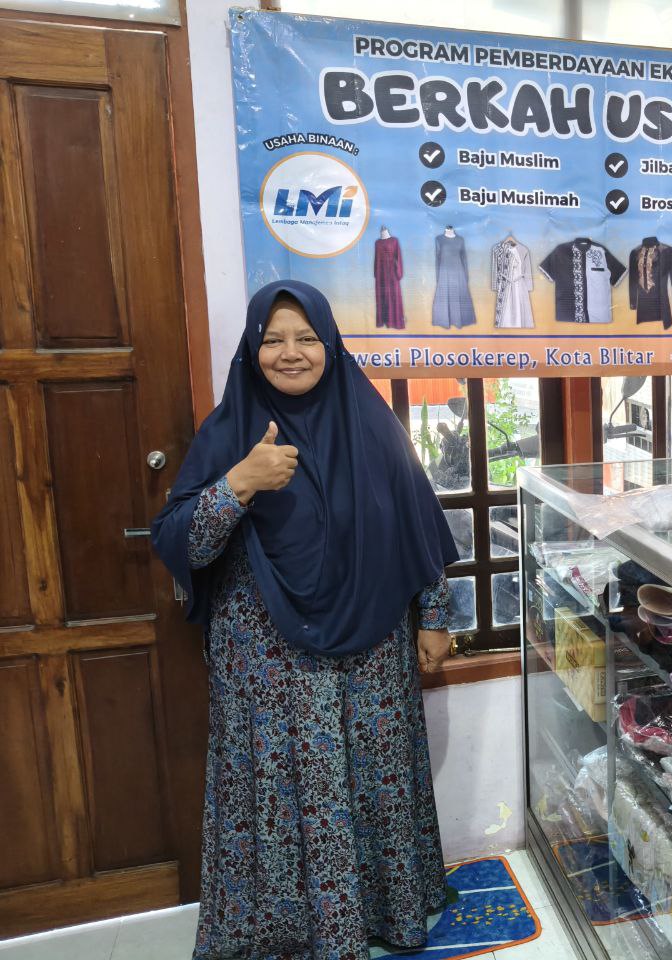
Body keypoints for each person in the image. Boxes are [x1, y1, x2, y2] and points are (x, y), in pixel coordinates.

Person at [152, 281, 459, 959]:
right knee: (288, 795)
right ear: (253, 348)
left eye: (306, 338)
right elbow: (179, 542)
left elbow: (417, 525)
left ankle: (386, 914)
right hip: (268, 663)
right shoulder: (228, 430)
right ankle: (291, 933)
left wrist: (435, 616)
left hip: (370, 654)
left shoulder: (371, 421)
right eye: (272, 340)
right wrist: (240, 483)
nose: (290, 354)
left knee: (374, 784)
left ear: (330, 343)